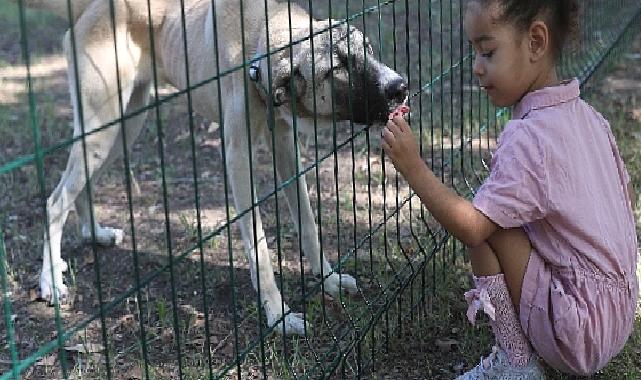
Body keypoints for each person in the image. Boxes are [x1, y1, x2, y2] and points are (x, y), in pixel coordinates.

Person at [381, 0, 639, 378]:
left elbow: (471, 228)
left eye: (488, 51)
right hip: (618, 312)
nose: (476, 66)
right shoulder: (590, 118)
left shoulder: (528, 137)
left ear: (535, 41)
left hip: (575, 334)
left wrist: (413, 166)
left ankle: (516, 362)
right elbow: (627, 200)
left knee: (486, 224)